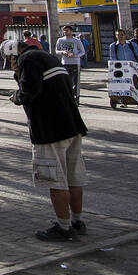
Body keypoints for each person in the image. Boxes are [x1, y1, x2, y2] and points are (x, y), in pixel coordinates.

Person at [11, 39, 88, 241]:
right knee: (73, 176)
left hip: (49, 129)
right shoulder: (50, 58)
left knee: (55, 180)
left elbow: (29, 90)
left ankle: (63, 227)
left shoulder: (27, 59)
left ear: (15, 54)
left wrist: (16, 96)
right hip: (72, 125)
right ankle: (77, 221)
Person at [107, 29, 138, 107]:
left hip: (132, 68)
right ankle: (124, 100)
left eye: (122, 35)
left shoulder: (132, 44)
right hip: (120, 68)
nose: (120, 36)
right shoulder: (113, 46)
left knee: (135, 84)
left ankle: (137, 98)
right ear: (116, 36)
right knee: (122, 85)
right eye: (118, 35)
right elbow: (113, 57)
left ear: (125, 35)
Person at [54, 26, 86, 103]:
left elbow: (82, 51)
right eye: (64, 31)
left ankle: (76, 98)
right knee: (65, 81)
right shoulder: (60, 40)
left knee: (76, 82)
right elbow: (56, 50)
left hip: (75, 63)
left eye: (67, 31)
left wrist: (75, 55)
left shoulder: (76, 41)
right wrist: (62, 52)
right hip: (65, 63)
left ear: (71, 31)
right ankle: (67, 97)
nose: (65, 32)